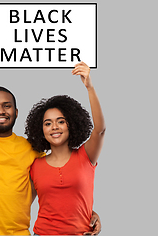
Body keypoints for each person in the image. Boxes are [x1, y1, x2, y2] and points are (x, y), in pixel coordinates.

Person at [0, 44, 102, 235]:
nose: (0, 110)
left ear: (16, 113)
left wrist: (88, 214)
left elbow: (56, 190)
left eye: (7, 105)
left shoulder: (32, 150)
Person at [25, 62, 106, 235]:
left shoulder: (86, 155)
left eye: (60, 121)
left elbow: (100, 130)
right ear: (41, 130)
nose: (54, 127)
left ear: (71, 124)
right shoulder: (35, 165)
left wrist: (89, 87)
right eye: (48, 123)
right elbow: (19, 202)